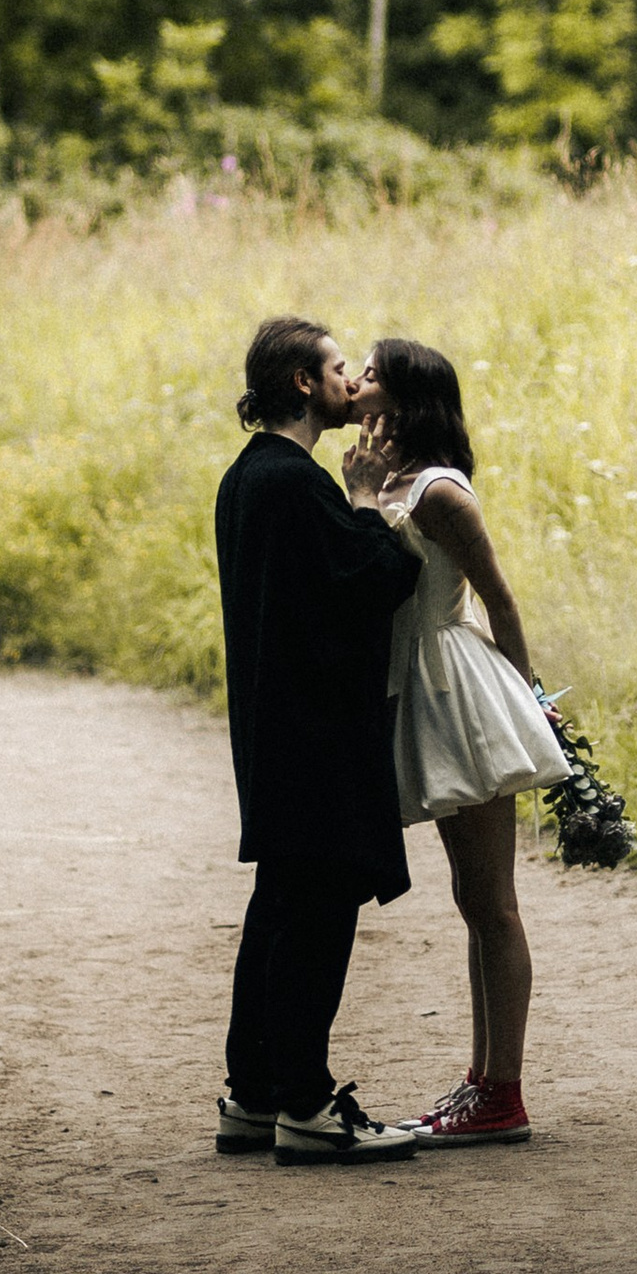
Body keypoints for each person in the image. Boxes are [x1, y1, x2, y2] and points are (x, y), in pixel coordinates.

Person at [213, 317, 426, 1166]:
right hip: (318, 736)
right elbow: (374, 582)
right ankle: (305, 1101)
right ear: (302, 383)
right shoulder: (296, 483)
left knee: (280, 908)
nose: (350, 380)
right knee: (316, 915)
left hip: (276, 729)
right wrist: (368, 501)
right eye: (338, 368)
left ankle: (254, 1093)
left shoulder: (245, 479)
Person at [358, 334, 569, 1147]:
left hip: (459, 692)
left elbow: (501, 602)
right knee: (471, 901)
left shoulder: (442, 492)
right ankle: (482, 1082)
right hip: (423, 689)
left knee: (493, 903)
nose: (358, 383)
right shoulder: (389, 480)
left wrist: (533, 703)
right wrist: (369, 493)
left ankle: (503, 1092)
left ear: (408, 398)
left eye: (371, 374)